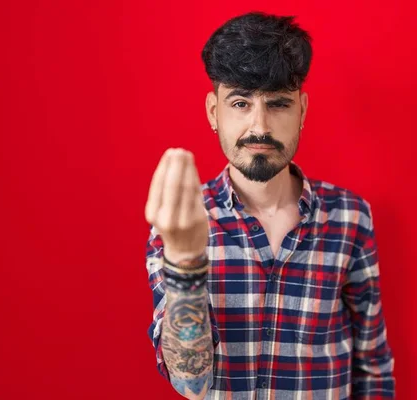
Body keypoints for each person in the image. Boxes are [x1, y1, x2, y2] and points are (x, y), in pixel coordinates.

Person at [145, 11, 395, 400]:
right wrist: (185, 258)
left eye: (278, 104)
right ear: (214, 112)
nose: (260, 127)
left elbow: (372, 363)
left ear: (303, 111)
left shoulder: (350, 217)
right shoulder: (180, 220)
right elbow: (189, 383)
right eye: (241, 103)